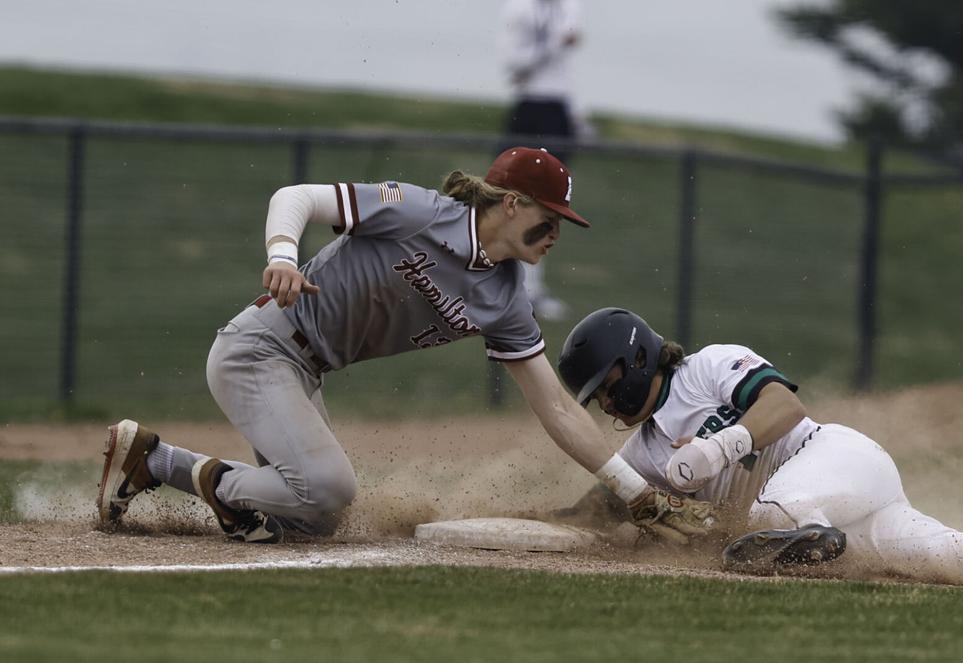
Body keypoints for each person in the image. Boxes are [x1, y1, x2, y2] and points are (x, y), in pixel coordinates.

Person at [97, 148, 716, 544]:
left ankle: (153, 462)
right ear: (510, 203)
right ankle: (198, 482)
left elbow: (555, 408)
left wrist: (636, 493)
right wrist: (282, 256)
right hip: (261, 349)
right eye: (548, 217)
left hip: (304, 372)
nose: (556, 232)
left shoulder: (505, 299)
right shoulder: (421, 211)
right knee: (331, 488)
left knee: (315, 521)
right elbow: (297, 198)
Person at [555, 307, 963, 593]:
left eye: (605, 386)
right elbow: (592, 517)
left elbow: (784, 408)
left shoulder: (709, 365)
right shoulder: (640, 457)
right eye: (595, 398)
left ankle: (815, 538)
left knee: (765, 524)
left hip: (837, 459)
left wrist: (718, 449)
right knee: (960, 559)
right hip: (837, 510)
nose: (605, 404)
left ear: (633, 359)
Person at [498, 0, 583, 322]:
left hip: (557, 110)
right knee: (513, 199)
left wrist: (576, 114)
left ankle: (531, 289)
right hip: (530, 108)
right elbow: (513, 65)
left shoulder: (571, 6)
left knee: (549, 206)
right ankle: (512, 285)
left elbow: (567, 68)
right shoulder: (518, 8)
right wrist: (553, 45)